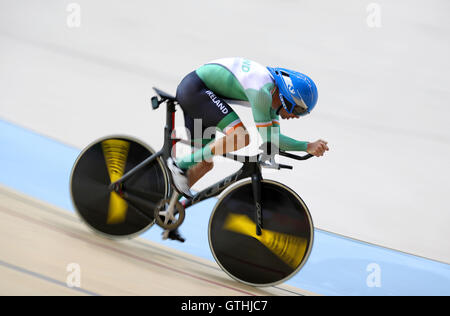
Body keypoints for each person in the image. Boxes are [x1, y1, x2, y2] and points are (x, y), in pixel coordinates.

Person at [165, 57, 329, 242]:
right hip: (196, 91)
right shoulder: (262, 93)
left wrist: (271, 152)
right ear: (287, 98)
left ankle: (168, 211)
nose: (296, 117)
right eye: (297, 110)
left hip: (199, 93)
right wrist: (307, 146)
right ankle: (179, 164)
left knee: (204, 164)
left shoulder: (272, 97)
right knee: (240, 136)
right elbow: (271, 138)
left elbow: (273, 138)